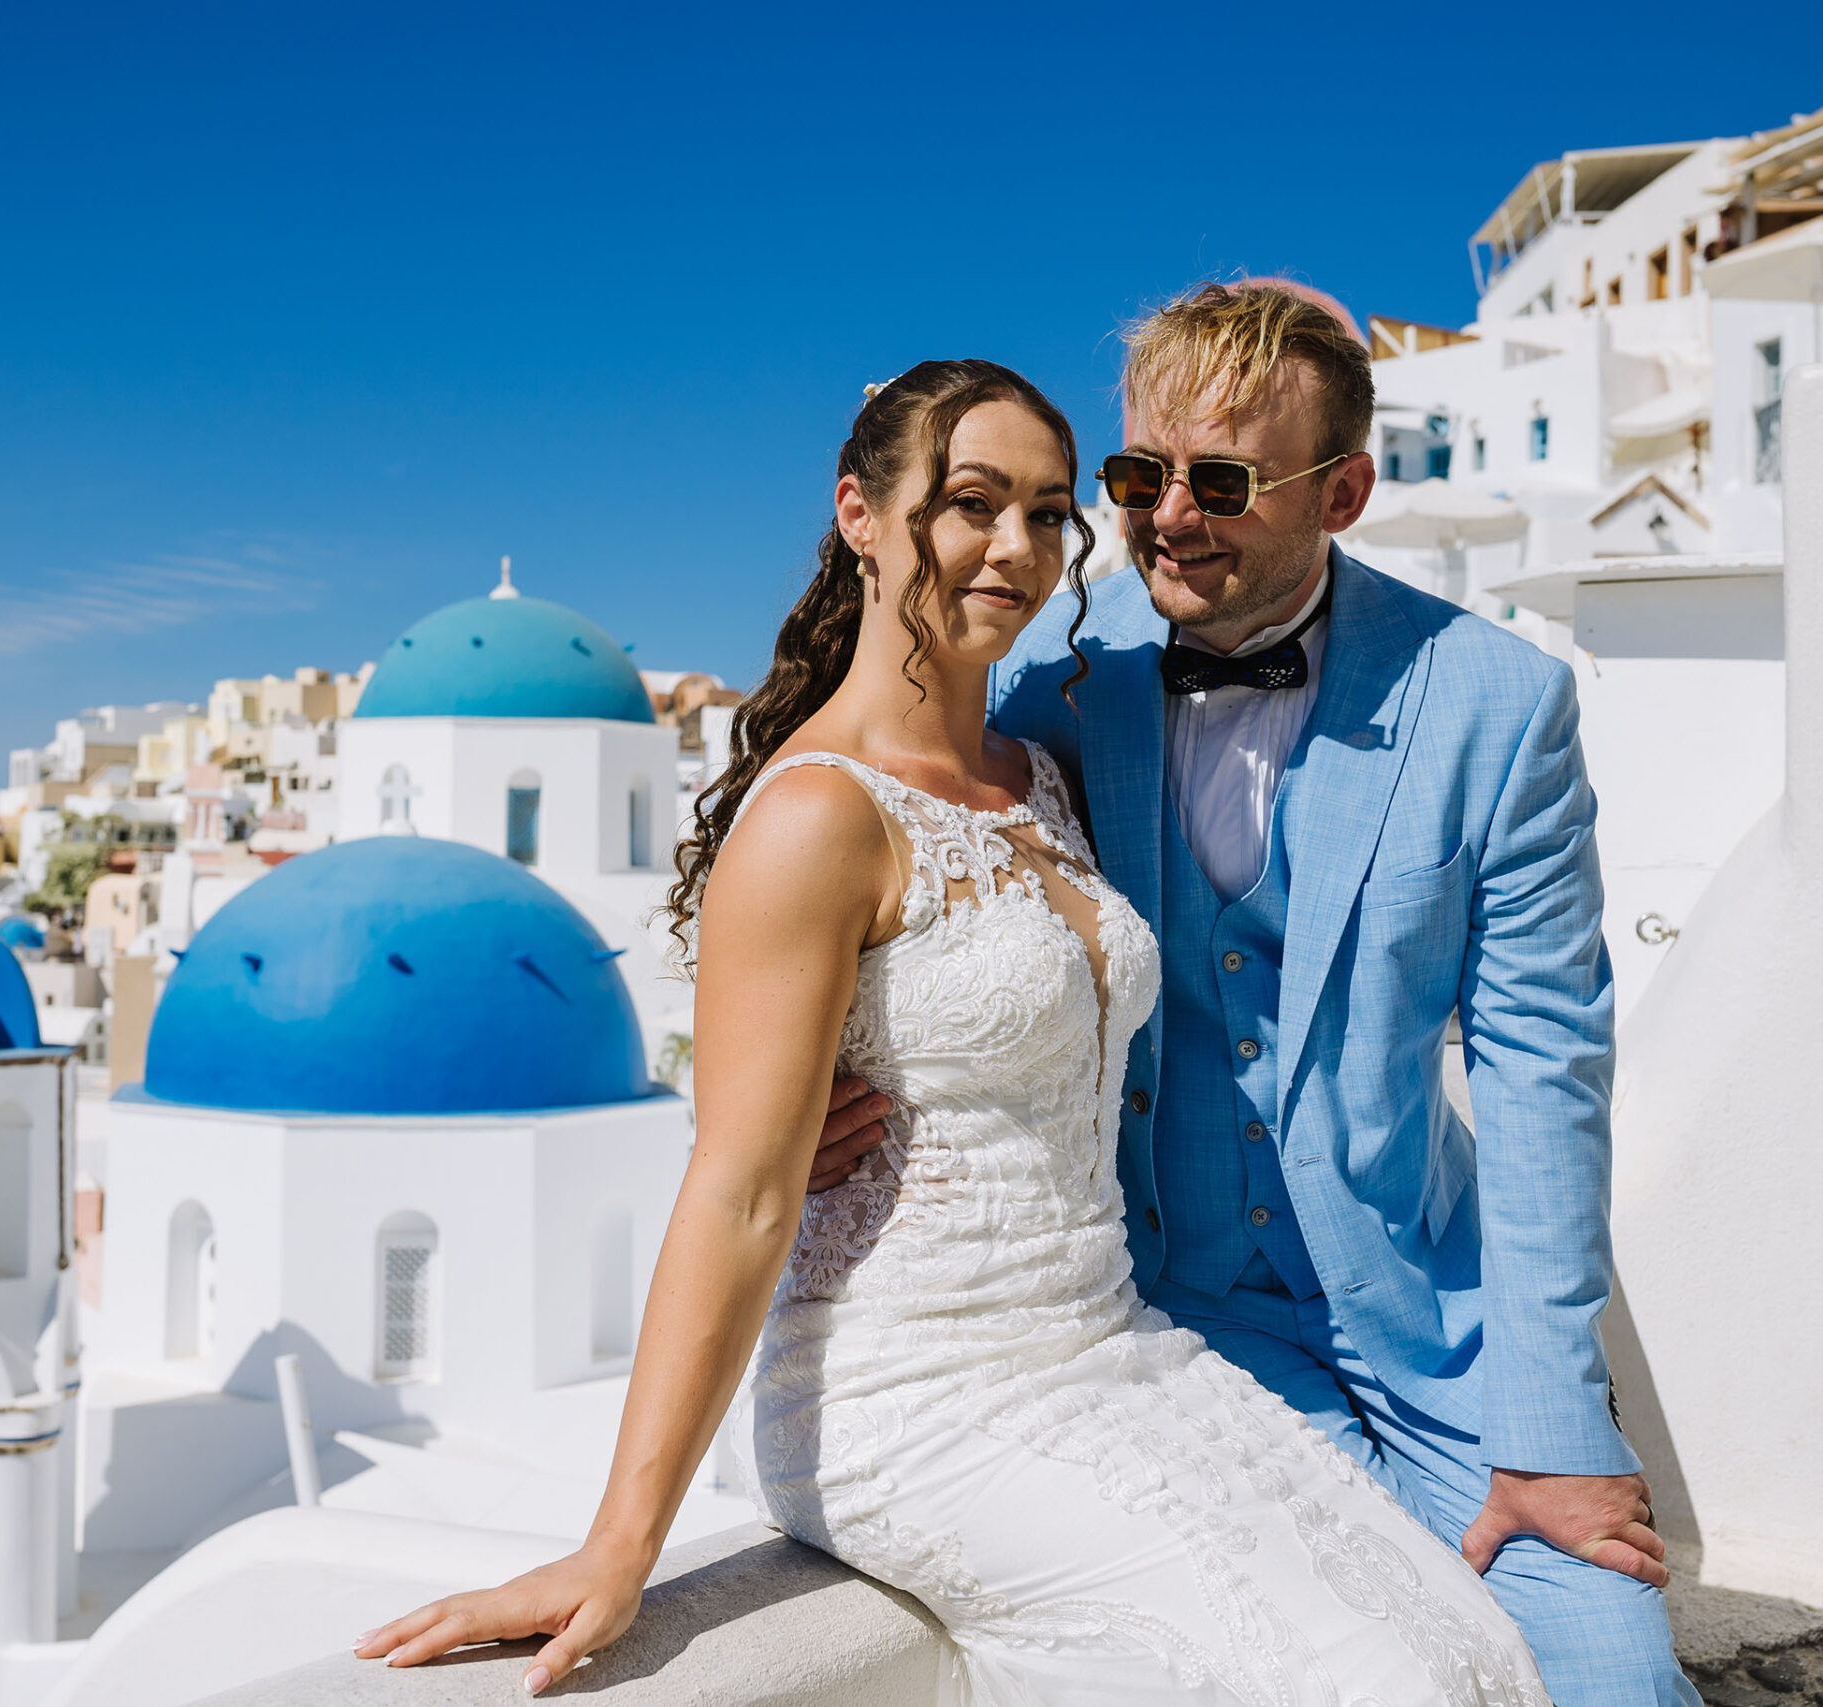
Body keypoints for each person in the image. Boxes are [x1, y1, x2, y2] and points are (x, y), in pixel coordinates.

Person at [357, 359, 1551, 1703]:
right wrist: (618, 1543)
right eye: (971, 500)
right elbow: (742, 1188)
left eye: (1049, 511)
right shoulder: (814, 818)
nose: (1019, 547)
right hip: (915, 1393)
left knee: (1459, 1641)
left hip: (1109, 1348)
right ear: (861, 514)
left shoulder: (1038, 770)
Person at [921, 280, 1677, 1706]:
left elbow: (1541, 1077)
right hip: (1171, 1323)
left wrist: (1552, 1423)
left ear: (1343, 492)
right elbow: (913, 882)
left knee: (1614, 1672)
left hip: (1431, 1321)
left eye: (1222, 481)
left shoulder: (1496, 704)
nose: (1168, 516)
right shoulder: (1051, 691)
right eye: (1142, 476)